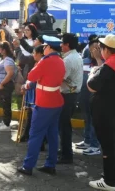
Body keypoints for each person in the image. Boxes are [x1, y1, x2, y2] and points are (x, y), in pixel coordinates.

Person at [17, 35, 65, 176]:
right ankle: (51, 164)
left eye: (44, 46)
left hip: (45, 103)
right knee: (52, 134)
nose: (43, 48)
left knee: (35, 134)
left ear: (49, 47)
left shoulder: (45, 61)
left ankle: (28, 166)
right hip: (56, 101)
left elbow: (31, 76)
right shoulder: (60, 61)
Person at [87, 34, 115, 191]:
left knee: (108, 147)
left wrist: (93, 71)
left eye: (101, 48)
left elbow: (91, 85)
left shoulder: (108, 67)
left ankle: (108, 181)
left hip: (106, 114)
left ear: (106, 50)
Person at [57, 33, 83, 165]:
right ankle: (64, 151)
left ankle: (67, 155)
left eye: (62, 43)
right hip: (71, 95)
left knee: (64, 125)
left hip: (68, 95)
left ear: (67, 45)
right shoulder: (75, 56)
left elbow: (59, 78)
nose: (60, 45)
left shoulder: (68, 60)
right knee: (64, 125)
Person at [75, 38, 103, 156]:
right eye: (93, 48)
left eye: (98, 48)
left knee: (94, 120)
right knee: (87, 118)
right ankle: (87, 140)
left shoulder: (103, 62)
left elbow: (102, 75)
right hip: (83, 95)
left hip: (96, 98)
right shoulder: (84, 61)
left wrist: (98, 59)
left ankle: (94, 145)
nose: (95, 50)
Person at [0, 42, 16, 131]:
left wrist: (2, 83)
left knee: (6, 105)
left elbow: (10, 73)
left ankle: (6, 125)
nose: (0, 51)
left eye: (1, 49)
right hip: (3, 85)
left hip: (5, 86)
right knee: (4, 104)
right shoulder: (5, 59)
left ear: (4, 50)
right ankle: (4, 121)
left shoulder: (8, 60)